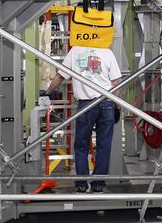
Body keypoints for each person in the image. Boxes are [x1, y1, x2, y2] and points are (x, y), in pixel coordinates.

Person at [46, 44, 123, 193]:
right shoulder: (107, 52)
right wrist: (117, 106)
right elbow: (115, 83)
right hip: (106, 102)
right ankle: (98, 184)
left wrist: (47, 92)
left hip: (86, 105)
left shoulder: (75, 51)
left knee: (81, 146)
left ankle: (81, 184)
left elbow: (60, 76)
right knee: (104, 146)